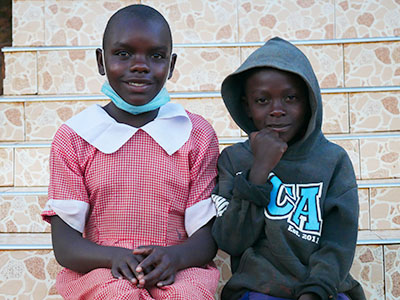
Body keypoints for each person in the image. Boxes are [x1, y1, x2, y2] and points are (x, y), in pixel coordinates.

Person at [41, 4, 220, 299]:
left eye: (156, 56)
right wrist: (113, 257)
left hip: (179, 266)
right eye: (123, 54)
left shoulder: (196, 133)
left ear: (171, 65)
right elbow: (65, 246)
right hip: (101, 268)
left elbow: (206, 237)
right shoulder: (75, 136)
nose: (140, 65)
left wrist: (174, 258)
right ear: (101, 60)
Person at [211, 37, 366, 300]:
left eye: (290, 97)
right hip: (259, 288)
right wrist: (258, 171)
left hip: (323, 288)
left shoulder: (333, 161)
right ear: (247, 107)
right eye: (262, 100)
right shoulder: (234, 160)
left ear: (309, 102)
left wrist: (315, 291)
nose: (277, 110)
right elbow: (230, 240)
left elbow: (338, 243)